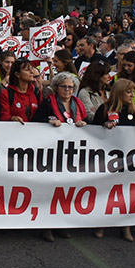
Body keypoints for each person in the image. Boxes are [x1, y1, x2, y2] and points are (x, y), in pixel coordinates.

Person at [89, 78, 135, 241]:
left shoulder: (132, 110)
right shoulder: (104, 109)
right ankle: (100, 225)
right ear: (119, 93)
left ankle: (125, 227)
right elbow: (92, 132)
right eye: (128, 92)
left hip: (128, 159)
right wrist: (105, 126)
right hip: (108, 159)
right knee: (106, 193)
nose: (132, 95)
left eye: (133, 92)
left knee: (127, 194)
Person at [31, 71, 88, 243]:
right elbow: (35, 121)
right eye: (64, 87)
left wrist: (84, 124)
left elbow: (87, 120)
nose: (68, 90)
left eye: (71, 87)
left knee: (66, 188)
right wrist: (48, 121)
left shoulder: (78, 104)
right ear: (56, 88)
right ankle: (45, 225)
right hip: (51, 152)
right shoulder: (49, 102)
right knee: (50, 188)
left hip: (71, 153)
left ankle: (61, 222)